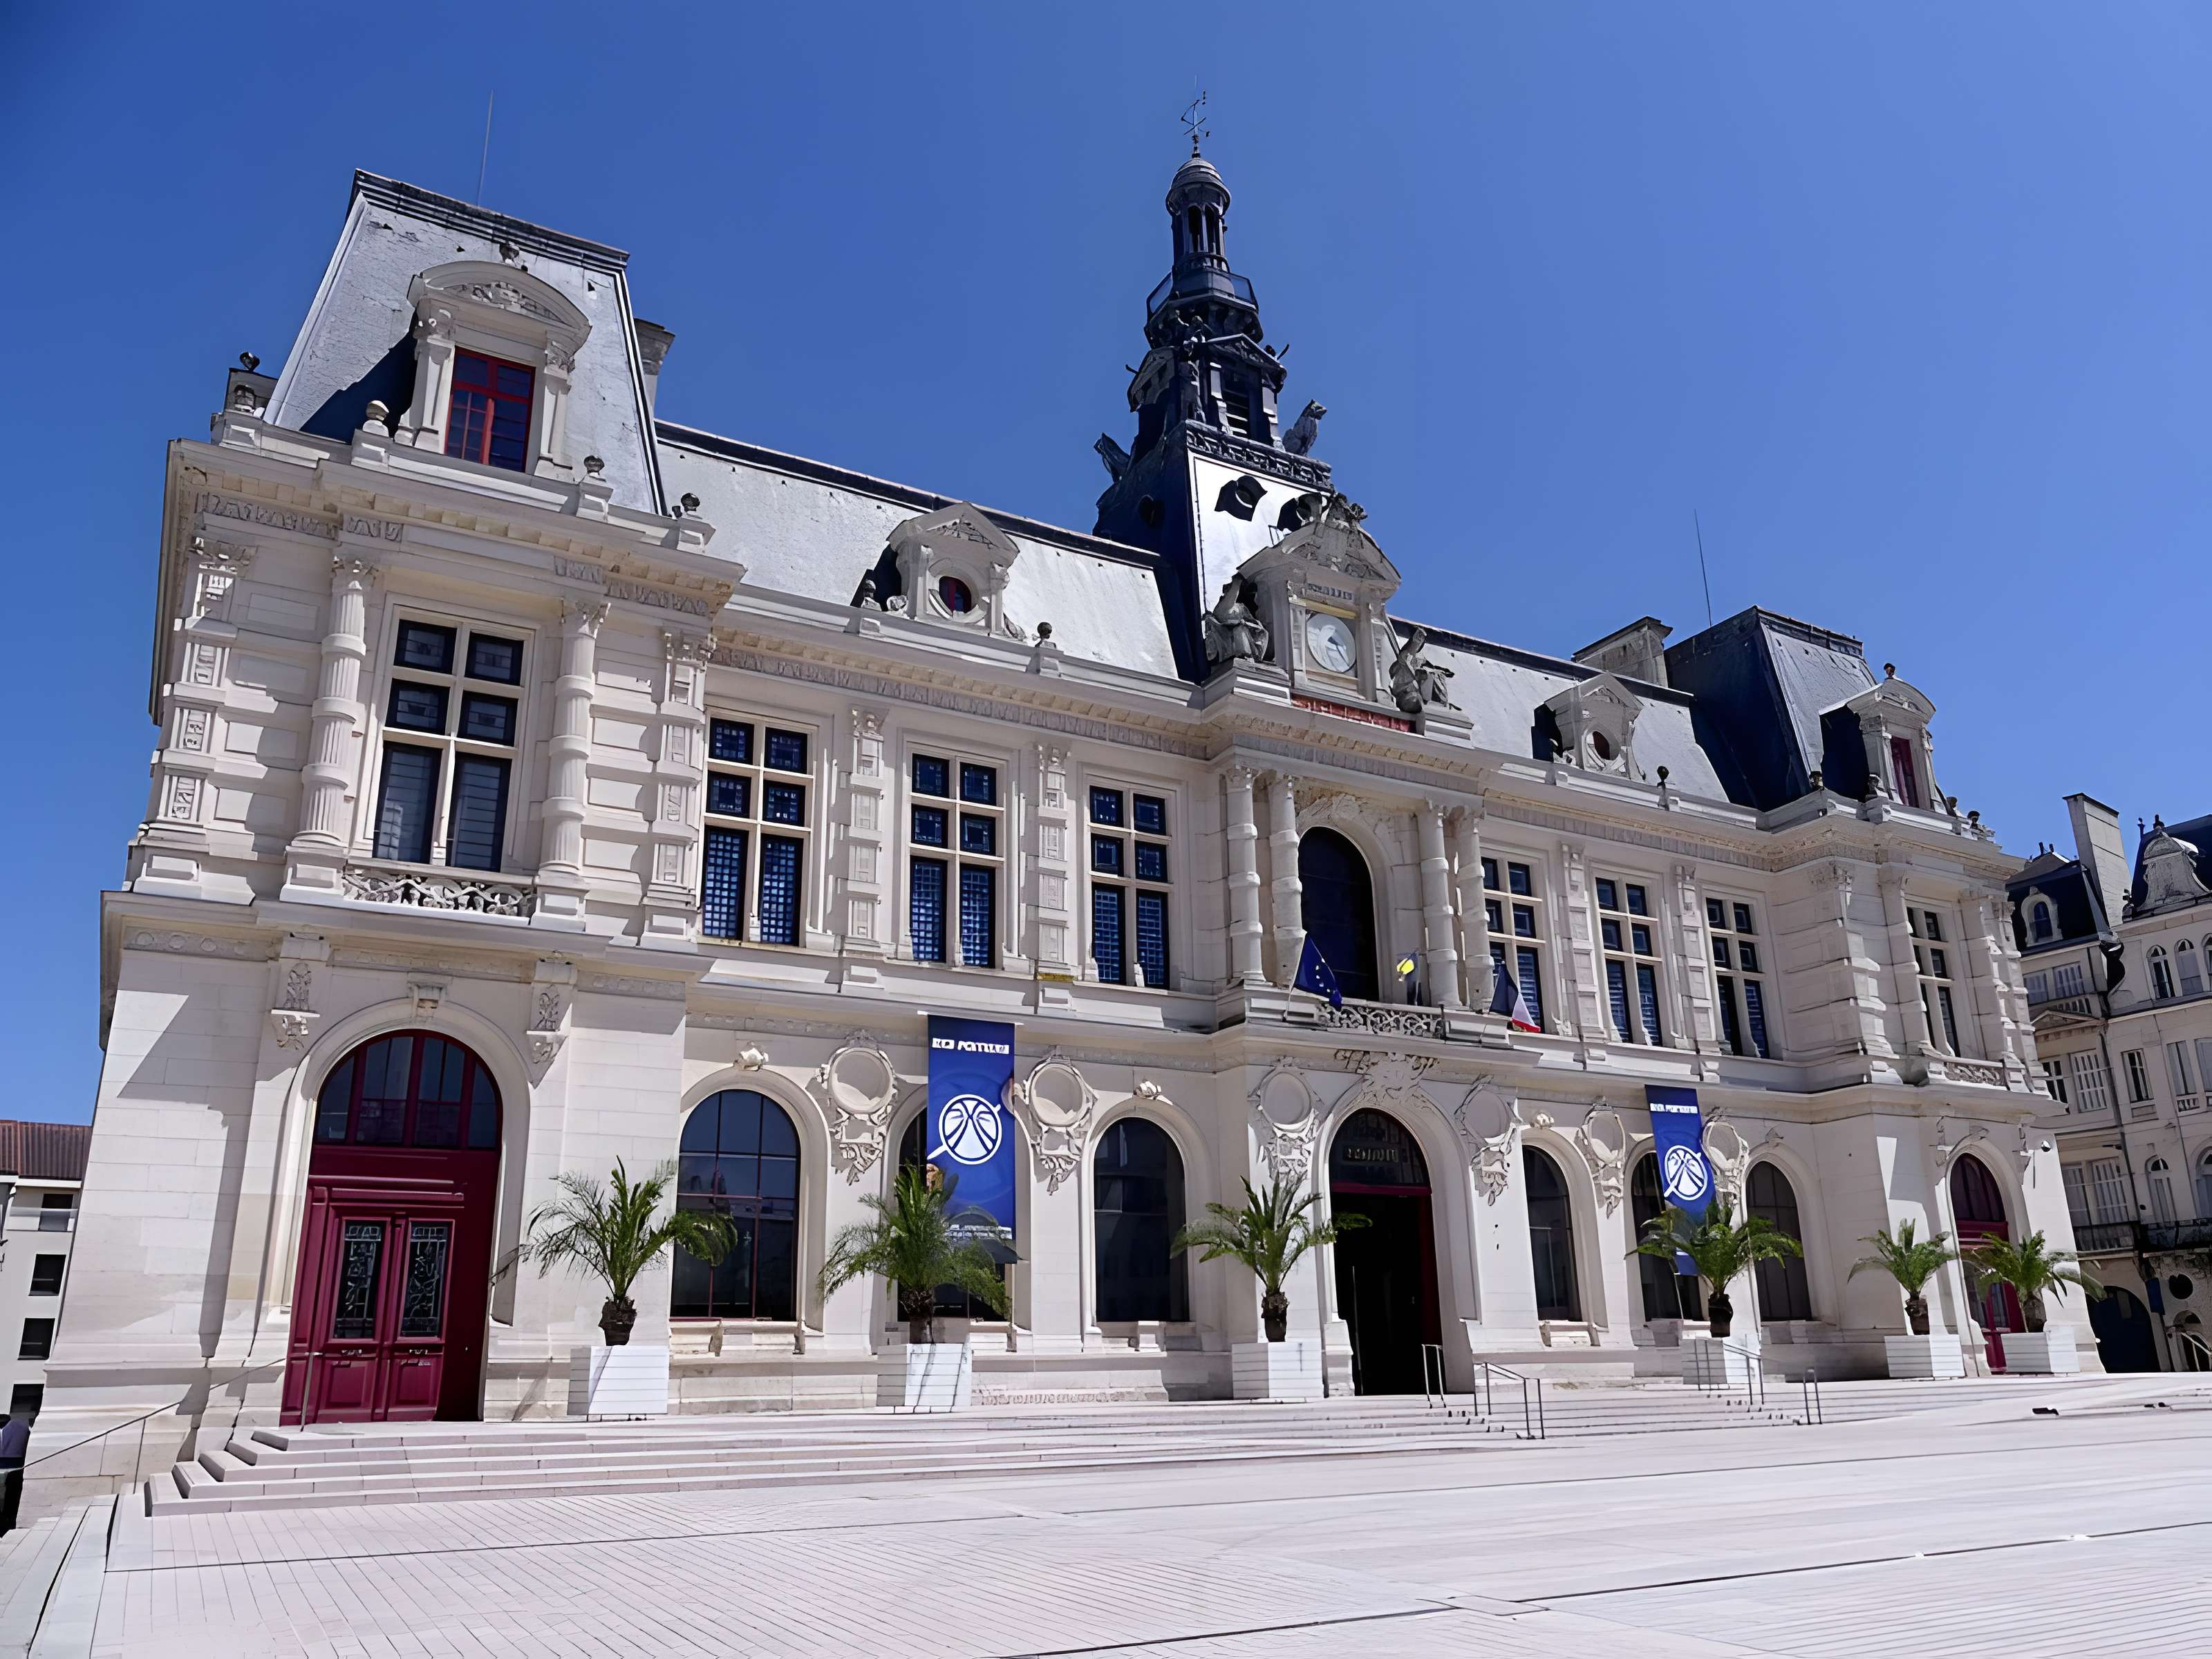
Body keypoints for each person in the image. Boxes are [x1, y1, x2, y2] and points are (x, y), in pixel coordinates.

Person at [0, 1409, 32, 1533]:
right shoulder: (24, 1427)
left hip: (16, 1470)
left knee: (12, 1501)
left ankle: (8, 1524)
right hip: (16, 1469)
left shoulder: (23, 1427)